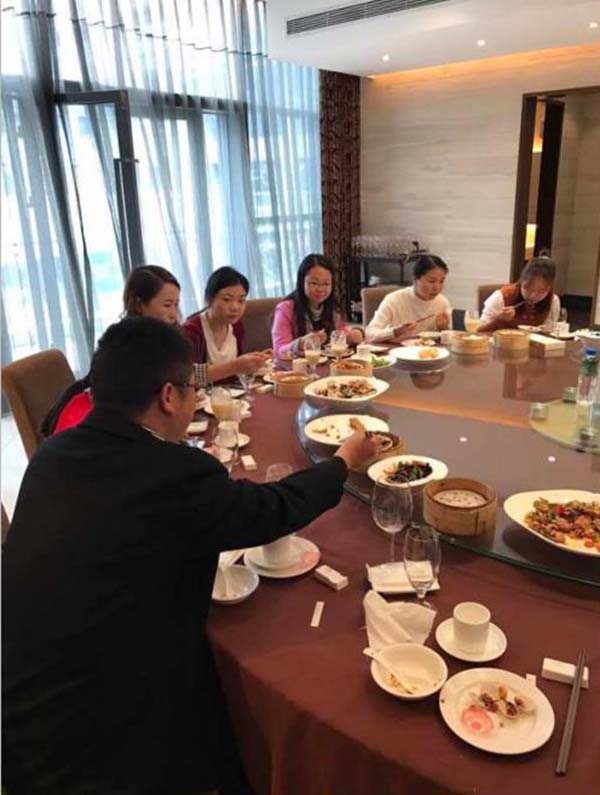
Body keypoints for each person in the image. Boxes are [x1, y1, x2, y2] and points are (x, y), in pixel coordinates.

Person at [2, 316, 376, 795]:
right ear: (168, 396)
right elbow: (272, 509)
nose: (195, 398)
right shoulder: (172, 474)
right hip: (98, 745)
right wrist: (343, 460)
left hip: (17, 717)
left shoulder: (52, 455)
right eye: (192, 389)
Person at [42, 265, 185, 436]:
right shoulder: (123, 344)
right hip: (100, 428)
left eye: (176, 305)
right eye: (167, 305)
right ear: (140, 304)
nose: (173, 314)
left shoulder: (164, 337)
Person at [183, 266, 269, 380]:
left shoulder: (236, 326)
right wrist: (236, 366)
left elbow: (236, 373)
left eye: (241, 300)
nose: (235, 307)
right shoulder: (191, 330)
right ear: (208, 299)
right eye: (227, 299)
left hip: (232, 390)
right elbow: (188, 376)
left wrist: (255, 360)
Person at [271, 254, 363, 357]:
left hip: (328, 364)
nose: (320, 289)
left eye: (326, 284)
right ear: (302, 282)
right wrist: (301, 343)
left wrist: (354, 335)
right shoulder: (285, 309)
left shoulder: (333, 308)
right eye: (314, 283)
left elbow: (342, 333)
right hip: (295, 366)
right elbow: (279, 349)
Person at [365, 254, 452, 342]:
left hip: (430, 350)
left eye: (441, 281)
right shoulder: (394, 300)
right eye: (431, 281)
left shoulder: (442, 302)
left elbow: (450, 339)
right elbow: (369, 334)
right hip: (396, 349)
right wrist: (396, 331)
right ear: (414, 279)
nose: (437, 287)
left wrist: (443, 328)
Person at [477, 256, 560, 332]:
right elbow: (478, 331)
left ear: (549, 288)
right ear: (521, 282)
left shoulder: (552, 301)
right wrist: (499, 319)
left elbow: (550, 332)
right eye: (528, 288)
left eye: (541, 291)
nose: (533, 295)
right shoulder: (501, 297)